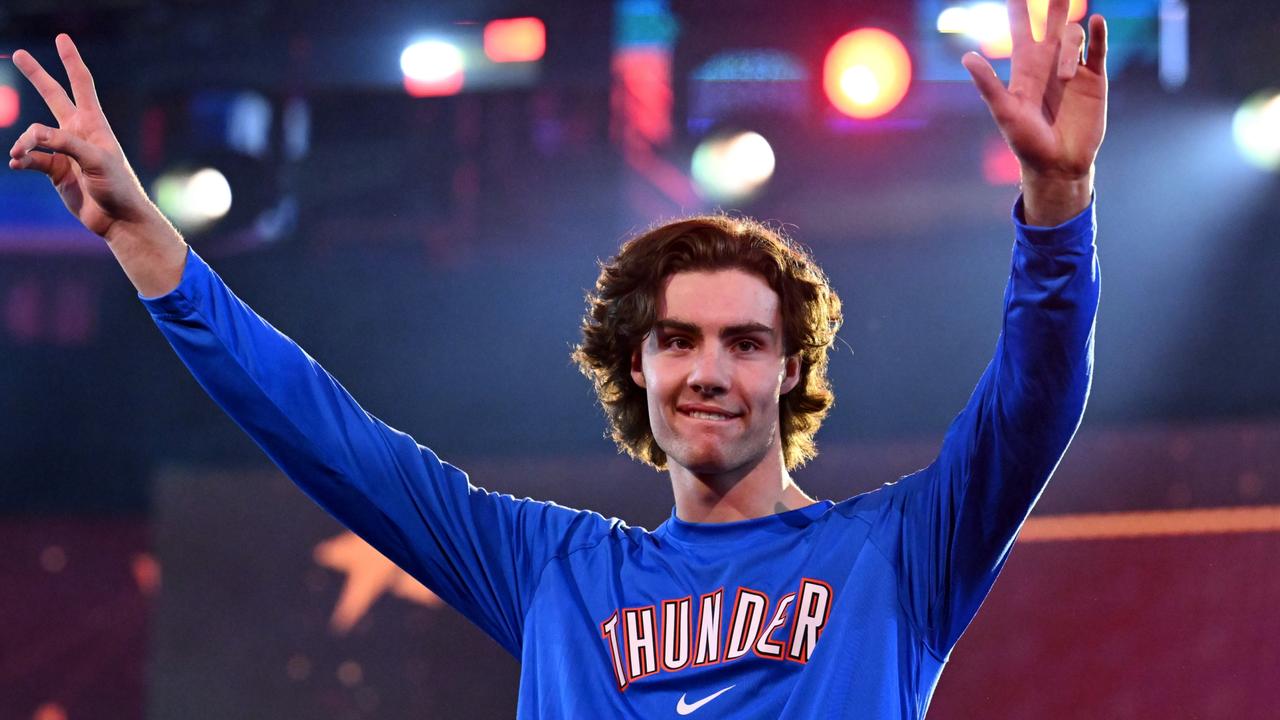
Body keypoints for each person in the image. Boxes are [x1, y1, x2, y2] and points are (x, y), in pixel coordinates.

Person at [7, 0, 1106, 715]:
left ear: (789, 373)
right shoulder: (553, 574)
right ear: (637, 369)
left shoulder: (898, 552)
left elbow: (1032, 402)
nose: (708, 370)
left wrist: (1054, 202)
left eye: (744, 341)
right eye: (676, 339)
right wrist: (147, 242)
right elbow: (329, 438)